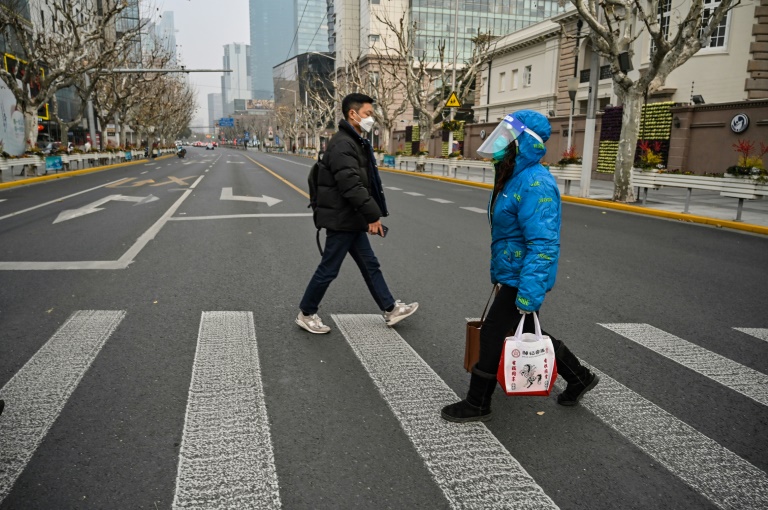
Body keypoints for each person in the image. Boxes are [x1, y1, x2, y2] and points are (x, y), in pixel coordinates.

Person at [441, 110, 599, 423]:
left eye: (505, 139)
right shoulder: (515, 176)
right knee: (524, 329)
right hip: (514, 271)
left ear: (523, 143)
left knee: (492, 335)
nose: (498, 144)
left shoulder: (535, 184)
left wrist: (528, 291)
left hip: (523, 275)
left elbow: (543, 245)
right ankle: (579, 377)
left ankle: (478, 402)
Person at [296, 93, 418, 334]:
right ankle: (306, 313)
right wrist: (372, 216)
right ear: (353, 114)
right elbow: (351, 185)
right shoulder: (343, 144)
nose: (371, 119)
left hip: (350, 217)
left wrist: (368, 216)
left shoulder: (353, 140)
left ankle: (390, 308)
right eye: (368, 114)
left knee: (370, 264)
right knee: (329, 268)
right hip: (342, 219)